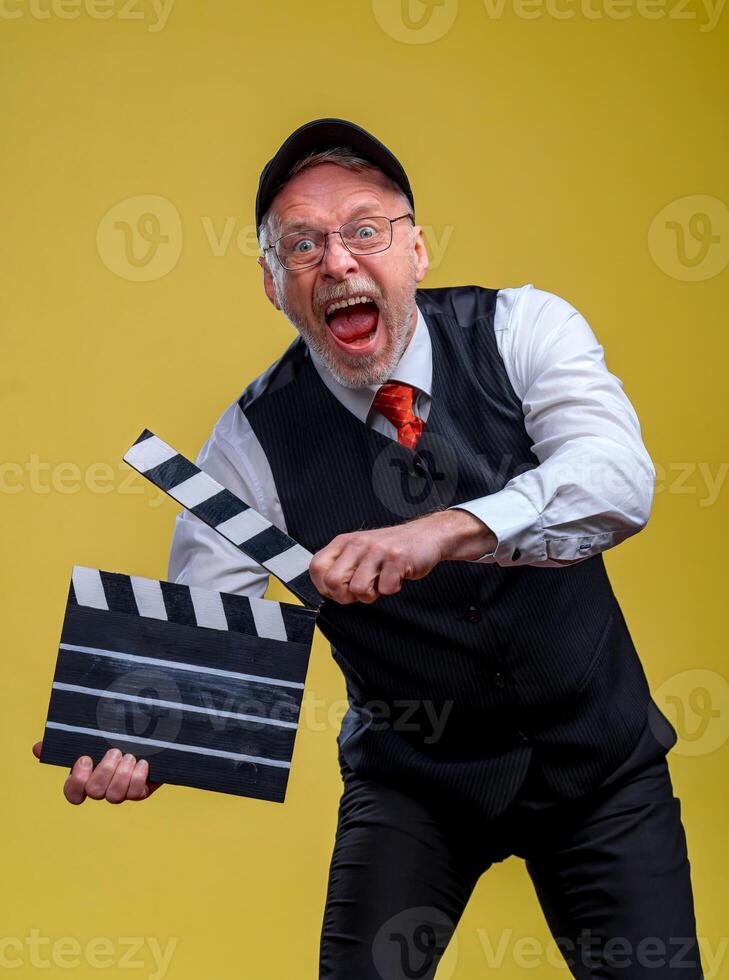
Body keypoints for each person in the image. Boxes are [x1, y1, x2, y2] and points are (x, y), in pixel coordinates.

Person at [33, 118, 703, 979]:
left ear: (416, 250)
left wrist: (442, 530)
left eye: (363, 229)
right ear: (273, 287)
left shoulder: (523, 328)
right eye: (301, 245)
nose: (337, 261)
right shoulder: (247, 445)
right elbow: (206, 655)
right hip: (414, 786)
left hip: (601, 765)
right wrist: (153, 740)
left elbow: (617, 481)